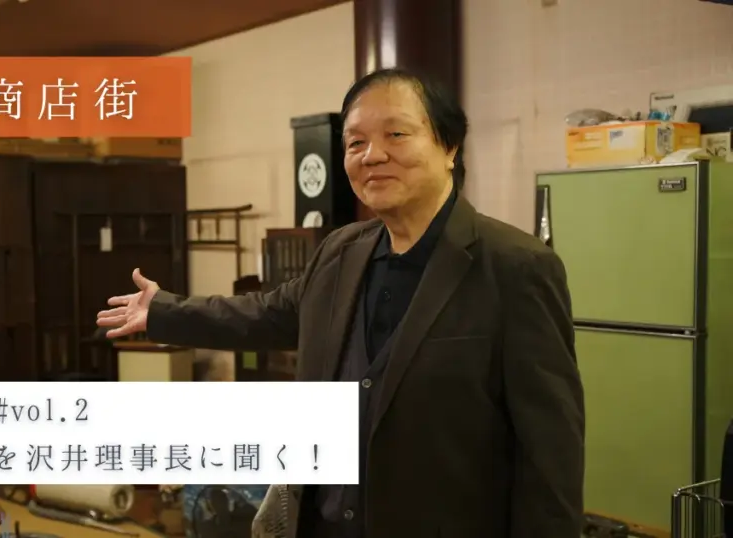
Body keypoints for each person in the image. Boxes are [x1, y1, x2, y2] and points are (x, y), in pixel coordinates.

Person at [96, 67, 584, 538]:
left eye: (396, 134)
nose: (373, 155)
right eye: (356, 143)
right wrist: (163, 311)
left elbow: (550, 453)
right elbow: (268, 314)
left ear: (449, 146)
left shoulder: (515, 267)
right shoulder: (341, 252)